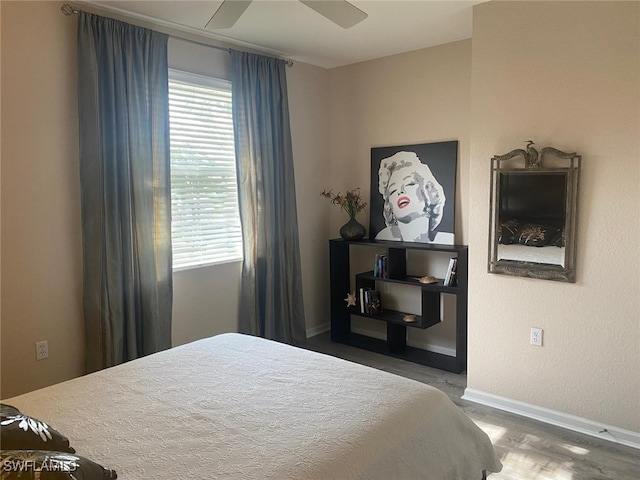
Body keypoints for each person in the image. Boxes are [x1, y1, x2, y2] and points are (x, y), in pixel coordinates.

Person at [375, 151, 454, 243]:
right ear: (389, 207)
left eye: (409, 183)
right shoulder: (382, 237)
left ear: (428, 193)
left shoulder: (447, 240)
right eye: (393, 190)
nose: (400, 191)